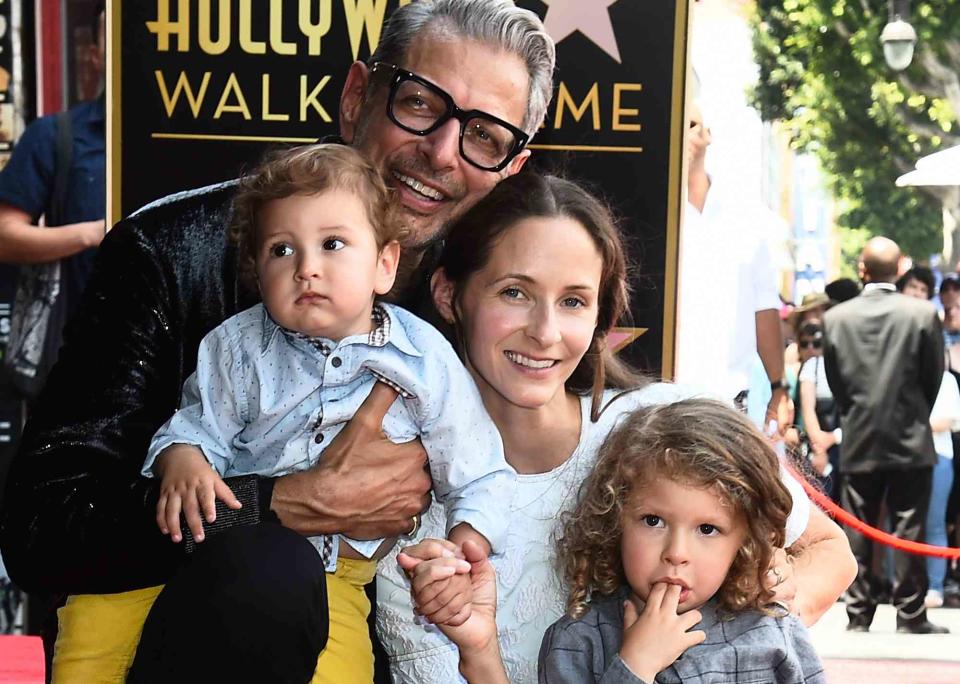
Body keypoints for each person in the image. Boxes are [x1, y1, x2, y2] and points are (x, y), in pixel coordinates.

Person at [0, 1, 556, 681]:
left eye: (485, 137)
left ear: (512, 167)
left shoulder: (479, 303)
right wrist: (276, 503)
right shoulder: (172, 254)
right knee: (273, 567)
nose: (441, 152)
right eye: (418, 103)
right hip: (171, 639)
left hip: (377, 645)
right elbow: (41, 529)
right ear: (357, 97)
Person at [376, 172, 856, 684]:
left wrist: (745, 629)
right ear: (450, 294)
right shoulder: (404, 501)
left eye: (573, 301)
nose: (545, 332)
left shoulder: (662, 428)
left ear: (602, 313)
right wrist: (479, 647)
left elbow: (830, 554)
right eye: (515, 292)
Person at [142, 143, 513, 681]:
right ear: (256, 270)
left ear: (384, 264)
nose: (307, 269)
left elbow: (479, 469)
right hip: (232, 563)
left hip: (342, 578)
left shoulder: (423, 358)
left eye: (333, 244)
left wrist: (463, 549)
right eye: (281, 251)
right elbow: (199, 429)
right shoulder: (238, 348)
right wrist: (181, 456)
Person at [538, 399, 825, 683]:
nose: (676, 553)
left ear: (745, 541)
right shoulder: (578, 643)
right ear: (614, 520)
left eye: (707, 529)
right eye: (653, 521)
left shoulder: (775, 635)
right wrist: (634, 667)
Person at [823, 236, 948, 634]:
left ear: (862, 269)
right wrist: (914, 415)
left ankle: (858, 613)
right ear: (900, 270)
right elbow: (934, 376)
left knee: (857, 525)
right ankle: (911, 615)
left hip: (860, 434)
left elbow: (835, 380)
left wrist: (856, 415)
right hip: (911, 434)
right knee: (909, 525)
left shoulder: (836, 318)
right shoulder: (923, 314)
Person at [0, 1, 106, 393]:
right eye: (115, 36)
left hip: (178, 365)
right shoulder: (54, 136)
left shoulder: (183, 138)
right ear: (95, 55)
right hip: (71, 360)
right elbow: (4, 236)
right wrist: (94, 233)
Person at [674, 102, 789, 428]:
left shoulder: (746, 218)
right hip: (657, 396)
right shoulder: (649, 210)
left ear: (708, 135)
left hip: (727, 402)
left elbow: (764, 307)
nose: (686, 133)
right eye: (678, 124)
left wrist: (779, 387)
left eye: (693, 124)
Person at [898, 269, 960, 609]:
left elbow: (948, 420)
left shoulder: (947, 381)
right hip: (907, 455)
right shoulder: (900, 378)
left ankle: (935, 585)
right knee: (903, 525)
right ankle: (902, 585)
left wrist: (912, 423)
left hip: (939, 458)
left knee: (935, 523)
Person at [795, 319, 841, 500]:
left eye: (817, 343)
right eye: (805, 344)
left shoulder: (841, 364)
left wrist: (836, 437)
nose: (811, 349)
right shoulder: (810, 367)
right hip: (816, 449)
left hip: (843, 447)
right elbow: (808, 411)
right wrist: (820, 450)